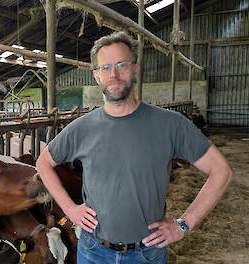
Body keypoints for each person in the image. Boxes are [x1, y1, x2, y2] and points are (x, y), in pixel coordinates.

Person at [36, 31, 232, 264]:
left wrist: (183, 224)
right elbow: (43, 163)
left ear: (136, 69)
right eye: (105, 68)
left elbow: (222, 171)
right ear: (96, 76)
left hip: (147, 254)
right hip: (94, 252)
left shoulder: (171, 124)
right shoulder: (81, 128)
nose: (114, 74)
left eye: (122, 65)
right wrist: (70, 209)